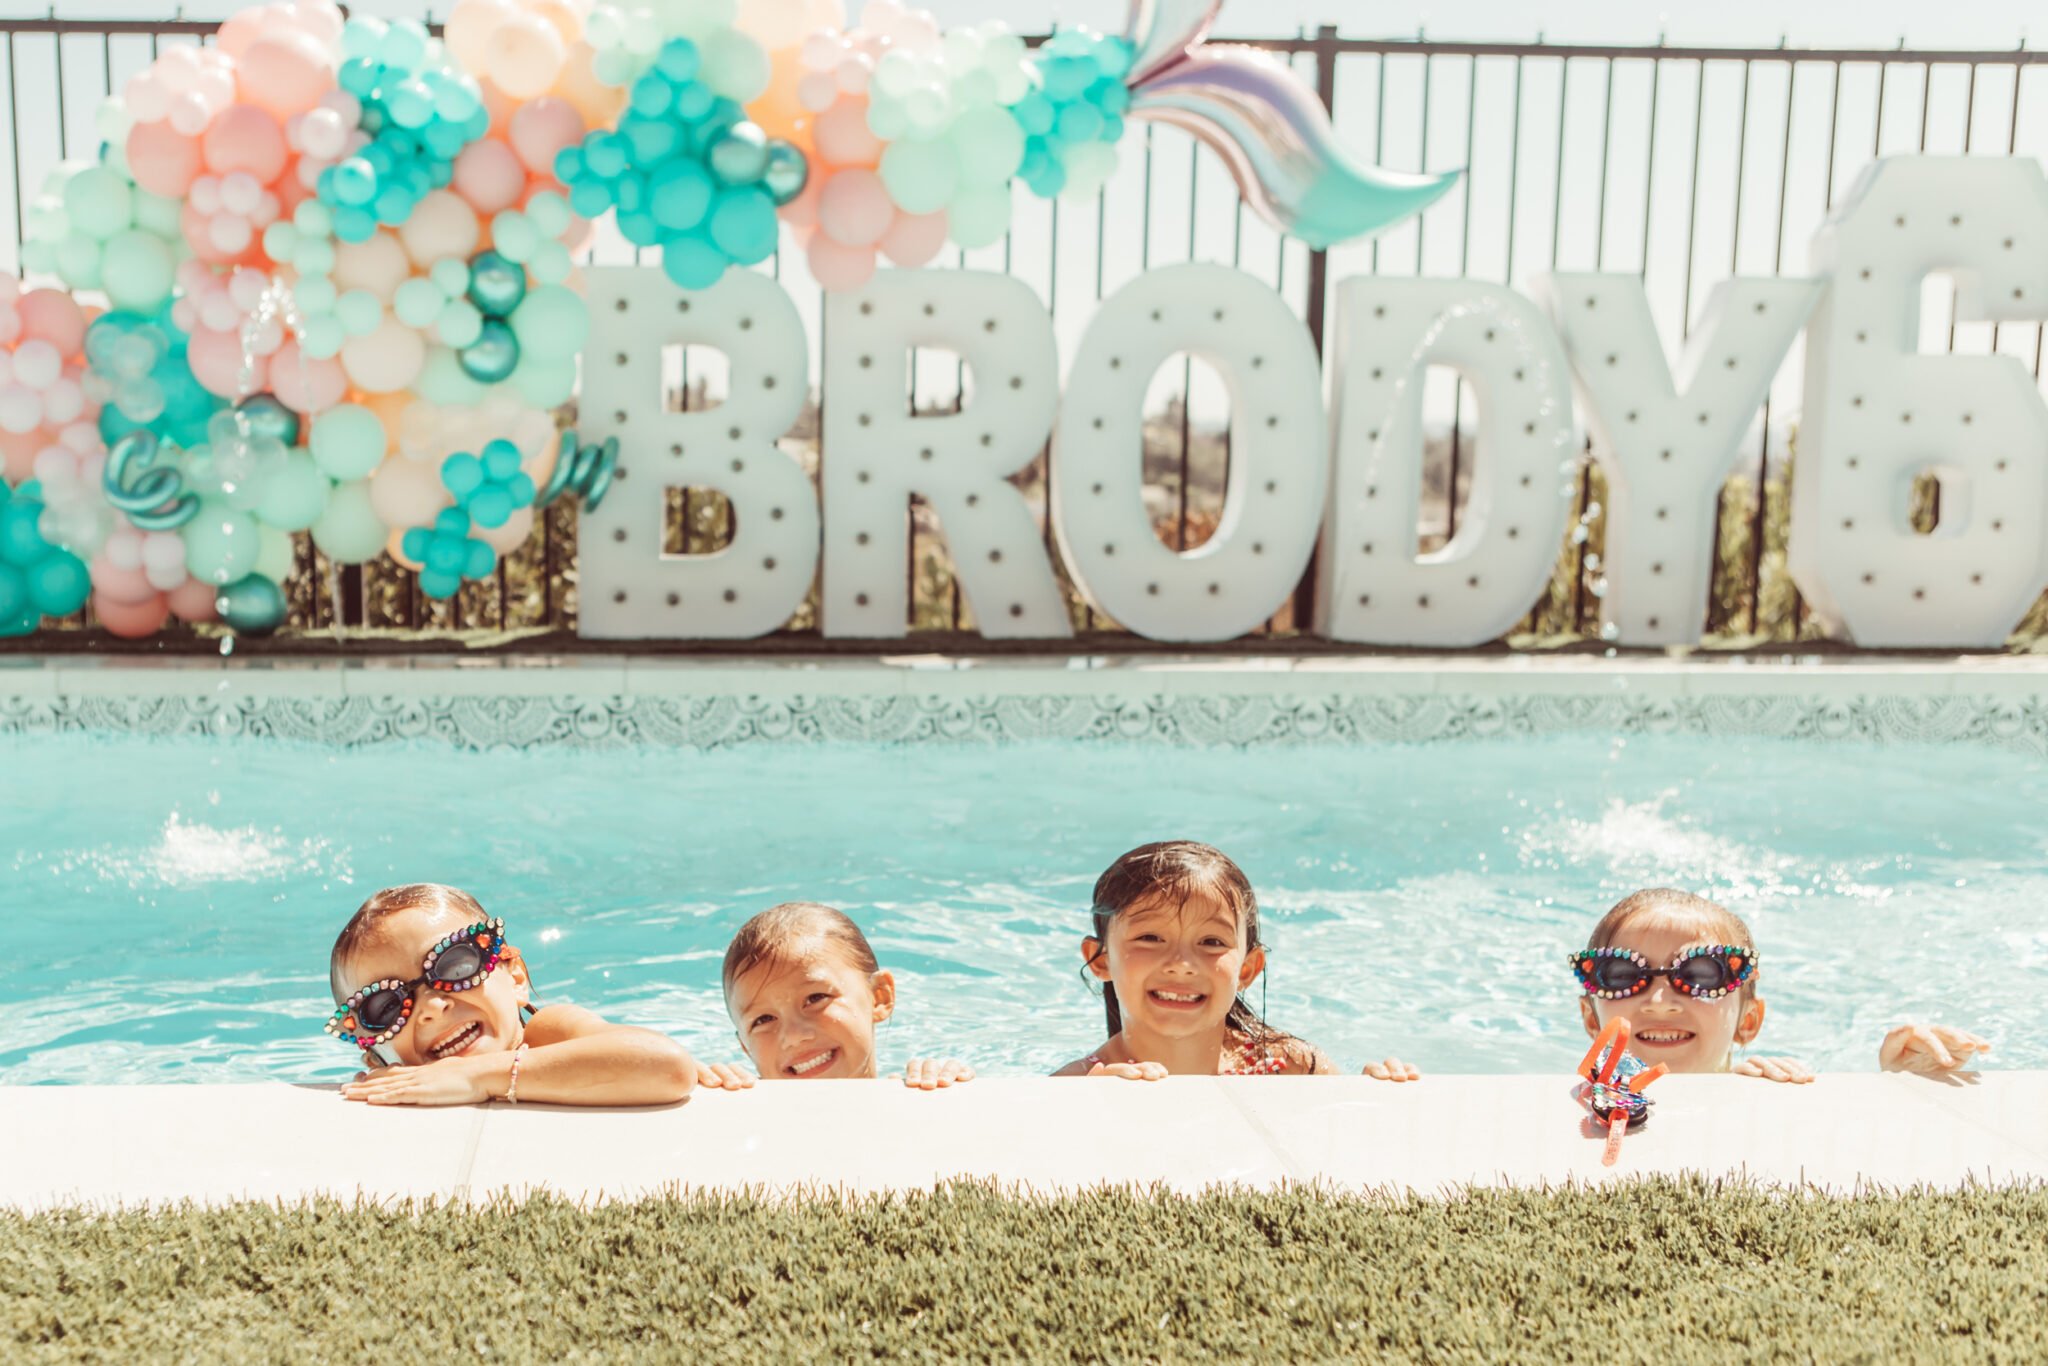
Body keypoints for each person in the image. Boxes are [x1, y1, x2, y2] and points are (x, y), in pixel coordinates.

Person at [327, 883, 698, 1106]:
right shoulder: (401, 1084)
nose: (433, 1008)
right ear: (374, 1055)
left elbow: (668, 1067)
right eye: (384, 1006)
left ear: (516, 978)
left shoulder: (547, 1033)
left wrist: (477, 1076)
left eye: (454, 966)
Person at [1571, 887, 1990, 1081]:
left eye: (1700, 975)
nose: (1660, 1002)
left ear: (1748, 1022)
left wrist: (1896, 1080)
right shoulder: (1567, 1104)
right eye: (1624, 977)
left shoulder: (1775, 1089)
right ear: (1591, 1017)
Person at [715, 901, 975, 1089]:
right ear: (745, 1048)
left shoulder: (906, 1098)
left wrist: (944, 1085)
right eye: (763, 1020)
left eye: (815, 998)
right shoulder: (744, 1118)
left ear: (879, 996)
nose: (794, 1036)